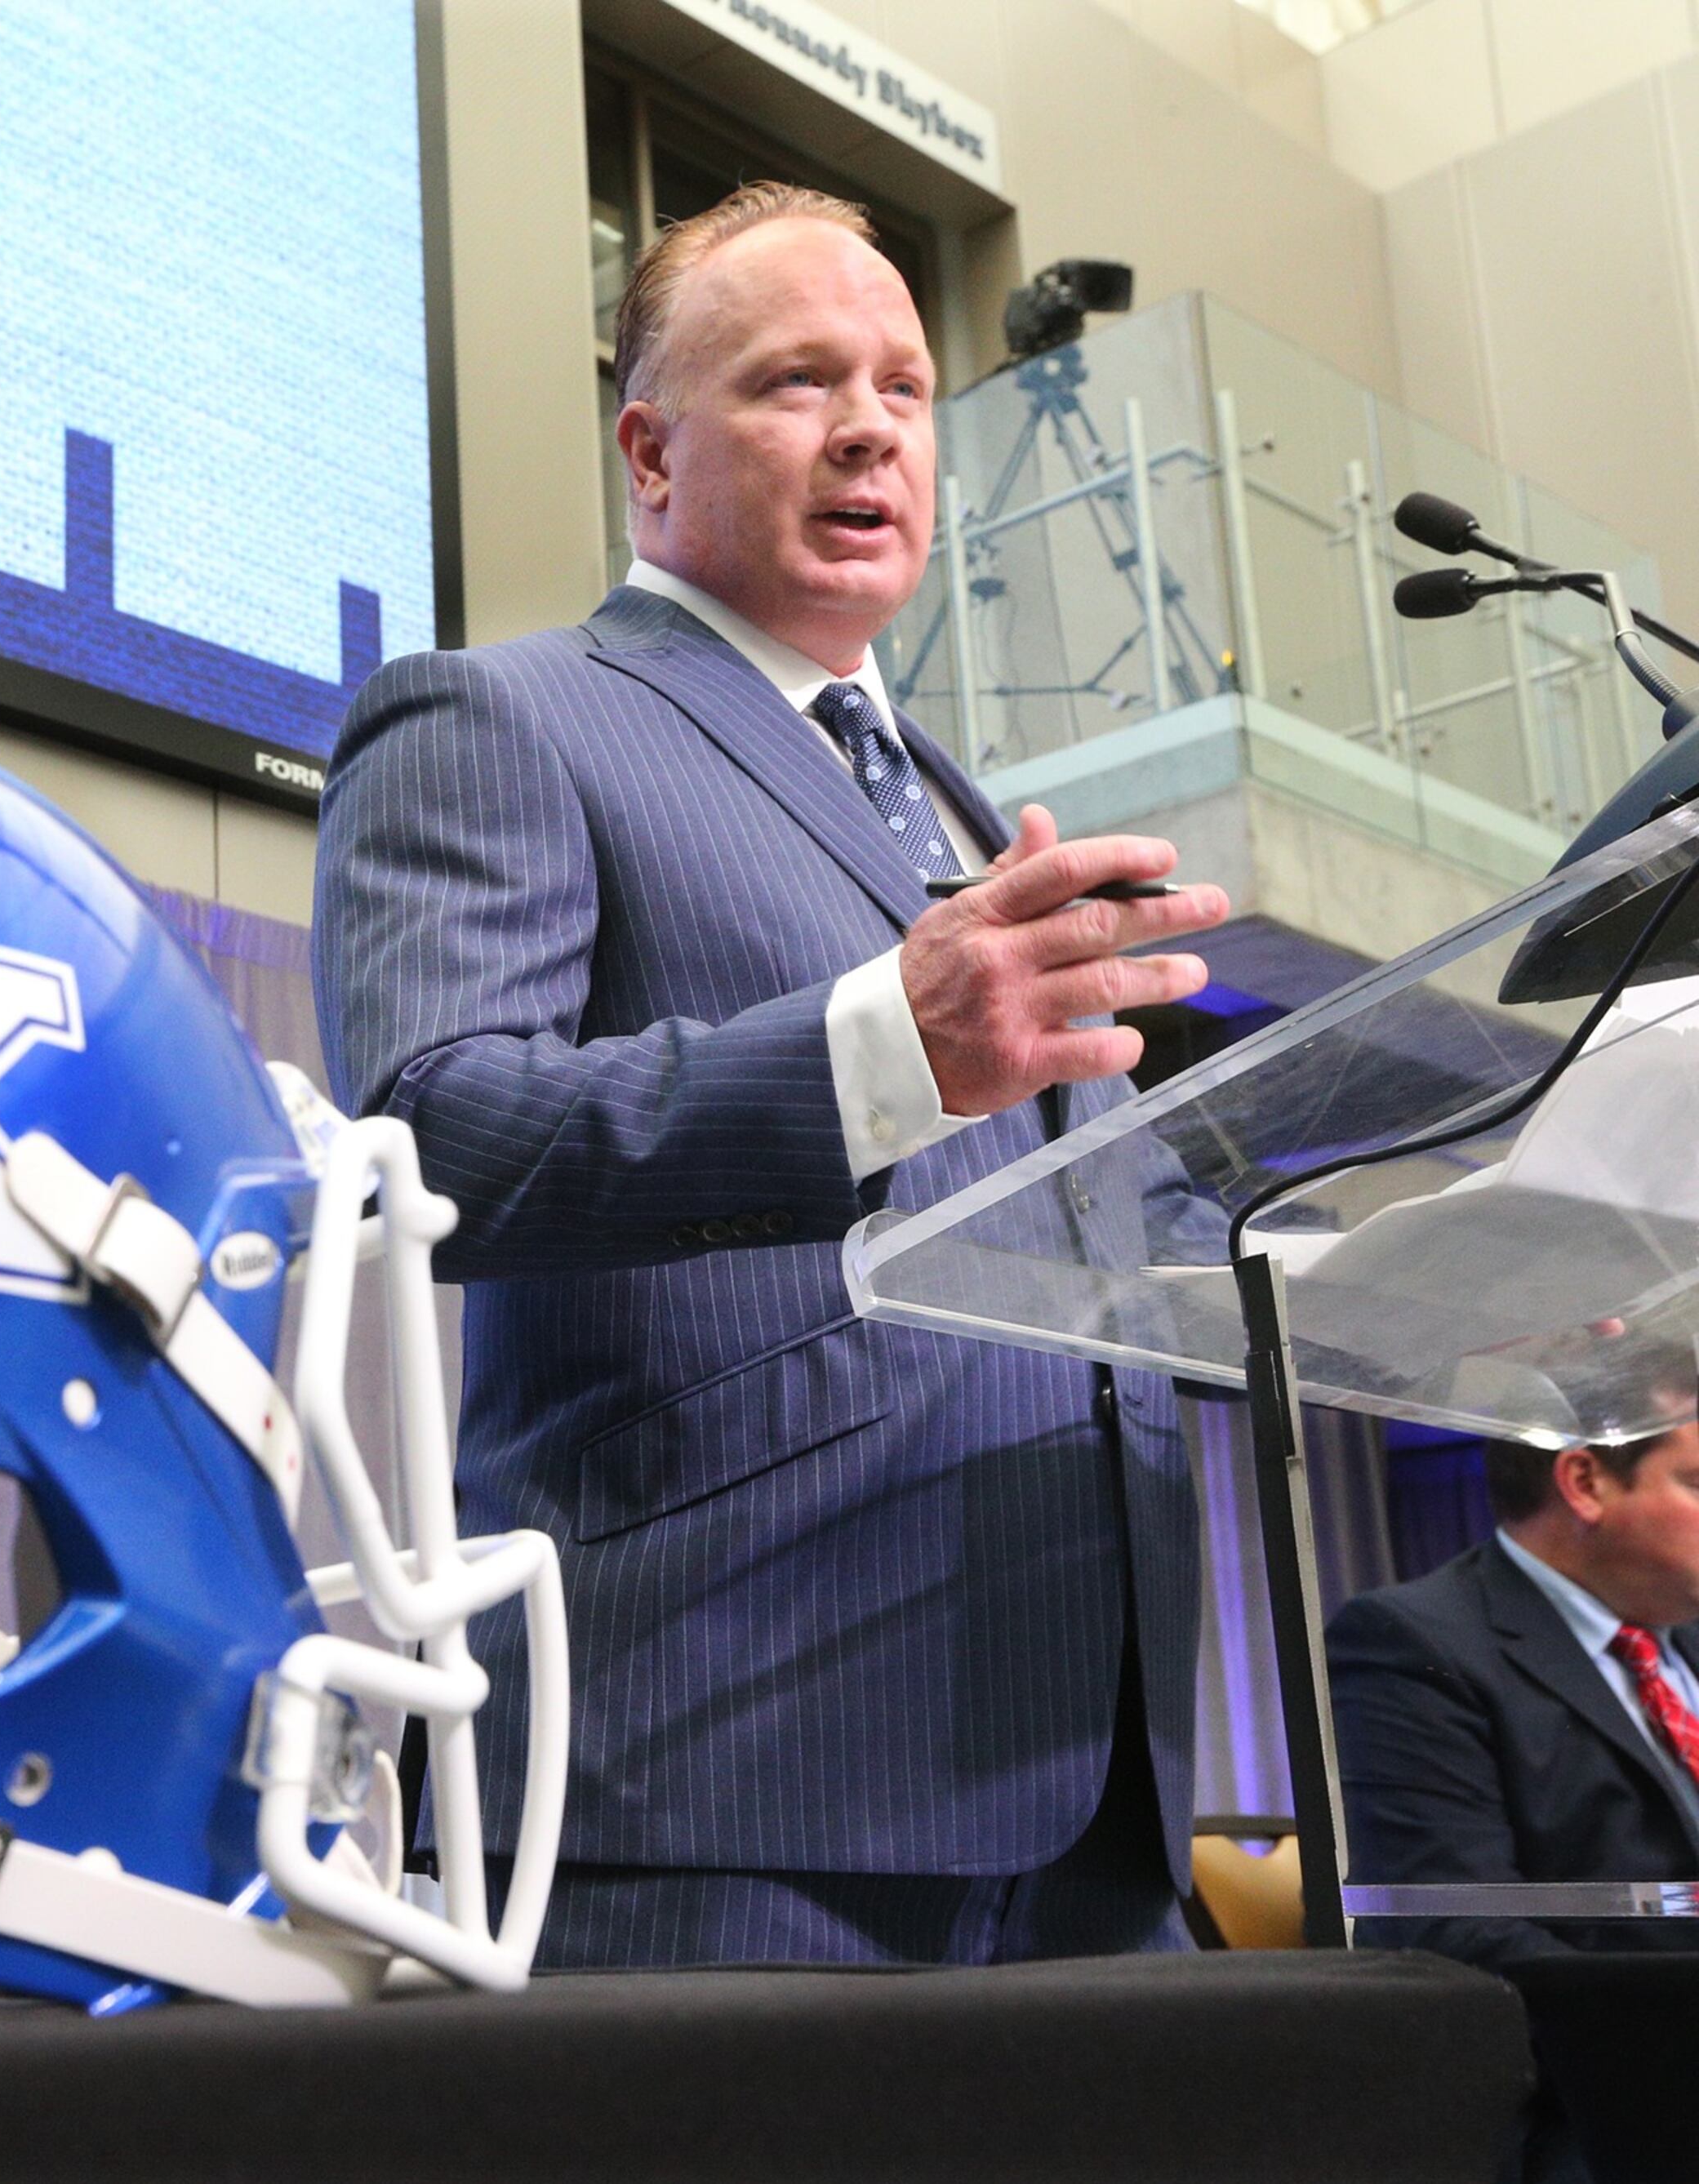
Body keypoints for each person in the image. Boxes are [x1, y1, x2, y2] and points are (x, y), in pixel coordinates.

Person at [311, 181, 1233, 1967]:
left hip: (1085, 1776)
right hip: (719, 1765)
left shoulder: (962, 806)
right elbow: (435, 1132)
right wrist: (889, 1046)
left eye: (902, 382)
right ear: (651, 455)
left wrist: (1362, 1223)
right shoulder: (499, 715)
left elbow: (1106, 1220)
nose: (873, 422)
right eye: (803, 380)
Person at [1328, 1426, 1699, 1968]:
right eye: (1696, 1482)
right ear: (1584, 1482)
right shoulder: (1416, 1642)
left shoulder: (1684, 1629)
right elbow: (1454, 1930)